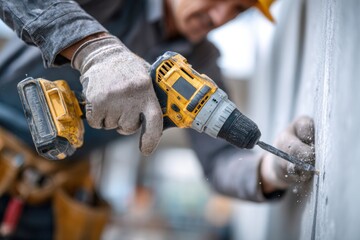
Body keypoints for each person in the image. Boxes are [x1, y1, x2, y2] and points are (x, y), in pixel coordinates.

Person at [0, 0, 315, 239]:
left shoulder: (202, 61)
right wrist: (95, 49)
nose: (220, 17)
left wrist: (270, 170)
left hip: (46, 198)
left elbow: (219, 160)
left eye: (238, 9)